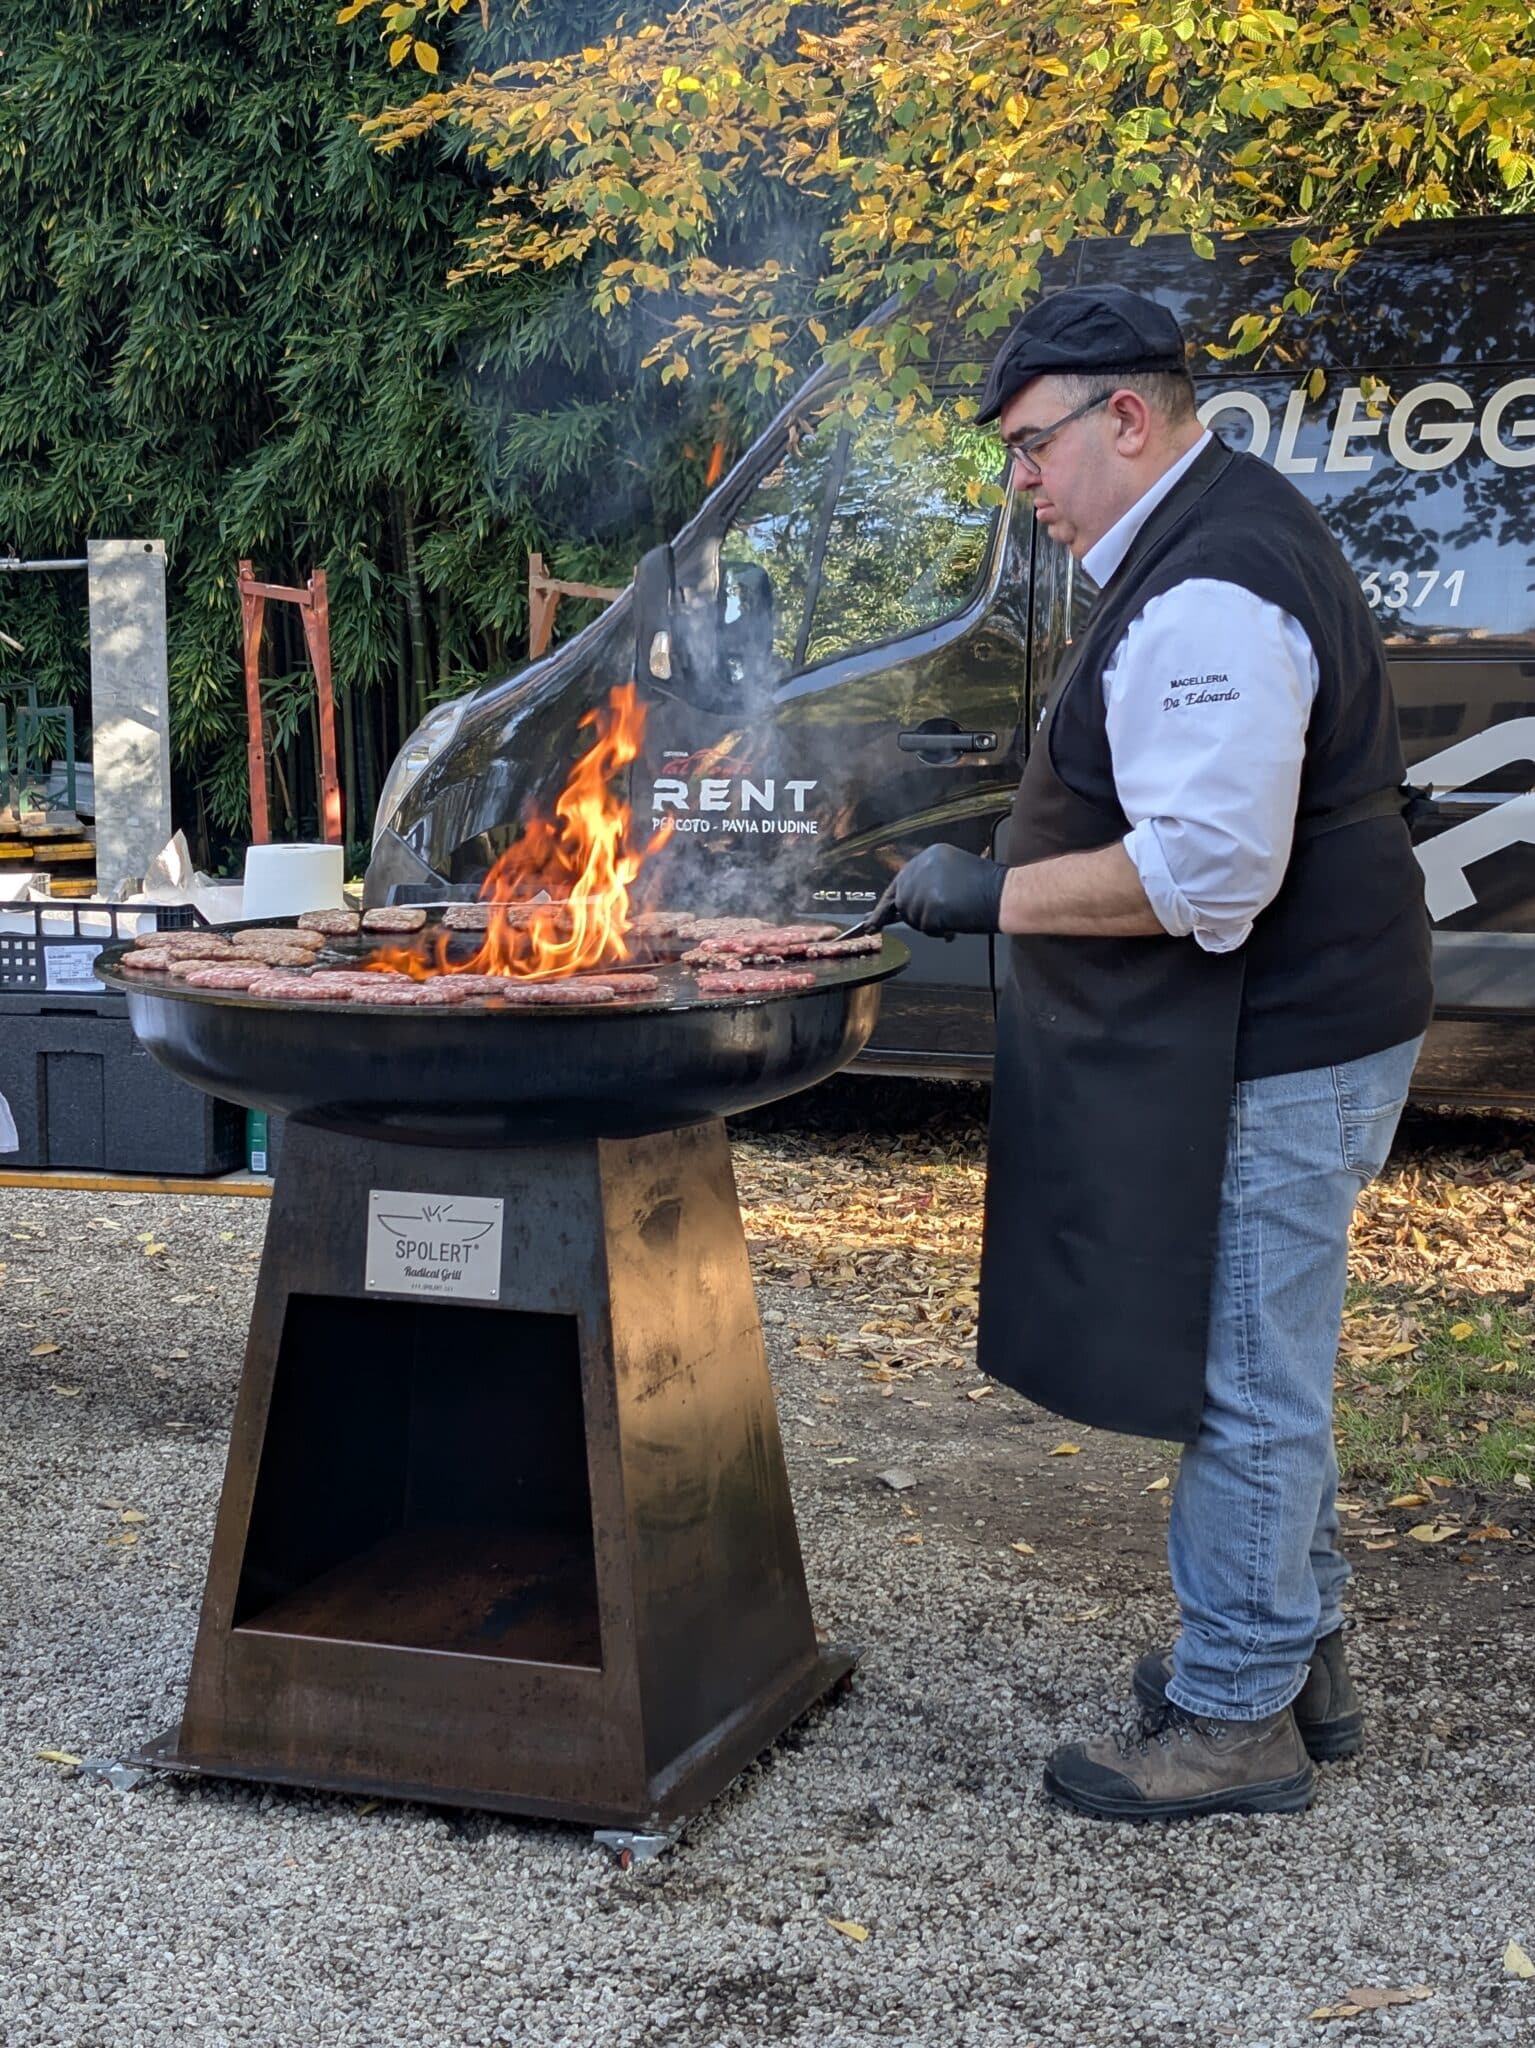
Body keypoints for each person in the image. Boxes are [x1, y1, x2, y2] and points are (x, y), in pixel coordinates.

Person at [870, 284, 1433, 1821]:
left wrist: (992, 895)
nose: (1023, 486)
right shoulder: (1213, 532)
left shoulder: (1212, 590)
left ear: (1129, 415)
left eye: (1035, 448)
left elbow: (1205, 874)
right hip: (1296, 1027)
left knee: (1246, 1374)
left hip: (1281, 1036)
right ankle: (1291, 1659)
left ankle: (1236, 1716)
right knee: (1266, 1356)